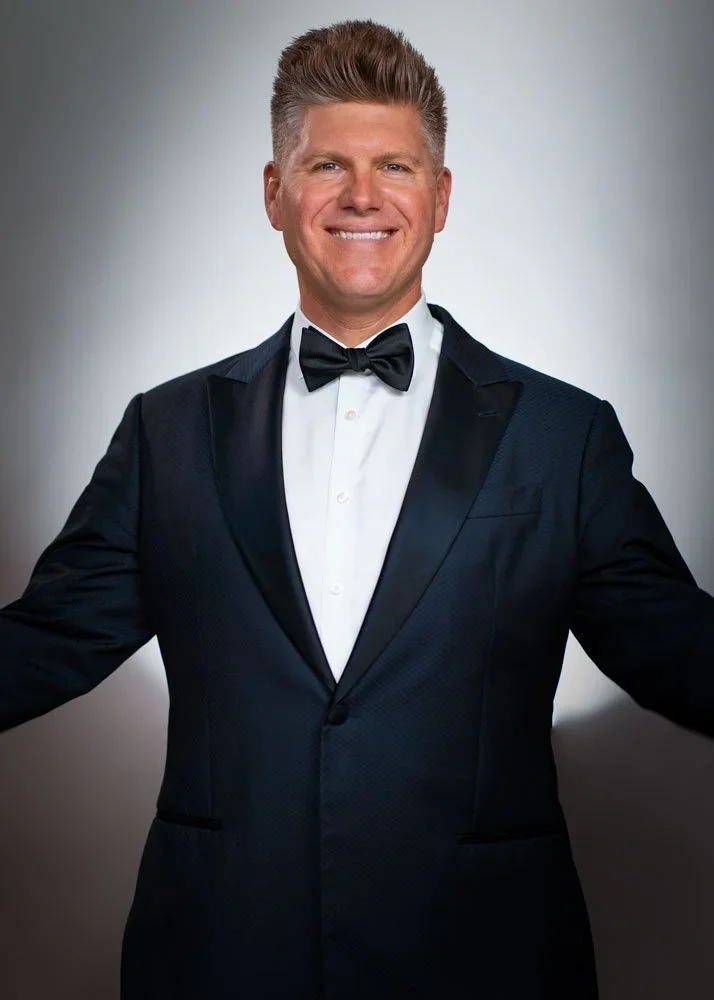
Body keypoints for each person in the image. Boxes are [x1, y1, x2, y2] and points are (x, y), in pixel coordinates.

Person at [0, 17, 712, 1000]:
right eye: (327, 163)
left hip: (485, 961)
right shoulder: (167, 432)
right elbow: (41, 644)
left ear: (443, 196)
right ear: (274, 193)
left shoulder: (563, 436)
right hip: (218, 956)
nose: (364, 196)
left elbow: (683, 652)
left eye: (396, 167)